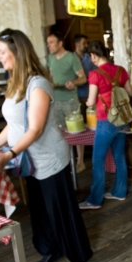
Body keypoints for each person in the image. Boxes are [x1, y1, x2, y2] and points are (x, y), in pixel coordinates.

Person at [0, 28, 92, 262]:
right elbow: (14, 125)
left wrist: (9, 154)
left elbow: (34, 129)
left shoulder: (38, 84)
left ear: (17, 52)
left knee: (60, 208)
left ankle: (78, 253)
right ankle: (50, 249)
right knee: (41, 210)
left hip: (49, 158)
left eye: (2, 52)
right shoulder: (15, 83)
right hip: (29, 159)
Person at [78, 41, 132, 210]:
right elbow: (130, 94)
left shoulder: (95, 74)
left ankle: (95, 200)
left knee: (97, 160)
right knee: (119, 156)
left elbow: (91, 101)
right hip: (123, 119)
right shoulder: (120, 71)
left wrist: (88, 102)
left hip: (106, 120)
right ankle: (119, 191)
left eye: (90, 56)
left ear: (94, 56)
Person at [46, 32, 88, 172]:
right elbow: (51, 75)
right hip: (55, 100)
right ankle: (64, 161)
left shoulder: (71, 58)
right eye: (48, 43)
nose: (48, 45)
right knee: (60, 130)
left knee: (75, 130)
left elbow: (83, 78)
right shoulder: (50, 58)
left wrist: (74, 83)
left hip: (70, 99)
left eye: (51, 42)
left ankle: (80, 161)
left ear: (60, 43)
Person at [74, 34, 96, 173]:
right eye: (84, 43)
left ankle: (95, 158)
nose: (86, 45)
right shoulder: (71, 58)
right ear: (77, 44)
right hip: (75, 97)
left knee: (93, 126)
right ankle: (80, 160)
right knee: (78, 129)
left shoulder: (90, 59)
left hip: (90, 96)